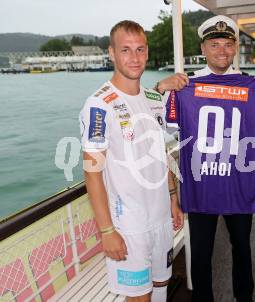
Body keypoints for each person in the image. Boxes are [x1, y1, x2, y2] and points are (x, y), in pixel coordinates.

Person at [163, 15, 255, 302]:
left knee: (243, 249)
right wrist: (161, 87)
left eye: (228, 44)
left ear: (234, 48)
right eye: (215, 44)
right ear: (203, 49)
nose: (222, 50)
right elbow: (156, 126)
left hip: (239, 183)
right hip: (202, 183)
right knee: (202, 254)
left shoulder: (254, 87)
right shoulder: (184, 87)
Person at [79, 20, 184, 302]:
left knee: (162, 283)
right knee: (139, 297)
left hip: (161, 215)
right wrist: (106, 231)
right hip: (129, 225)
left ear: (147, 52)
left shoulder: (153, 98)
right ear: (111, 53)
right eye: (125, 50)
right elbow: (92, 173)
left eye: (140, 49)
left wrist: (173, 198)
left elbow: (160, 152)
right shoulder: (99, 105)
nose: (134, 58)